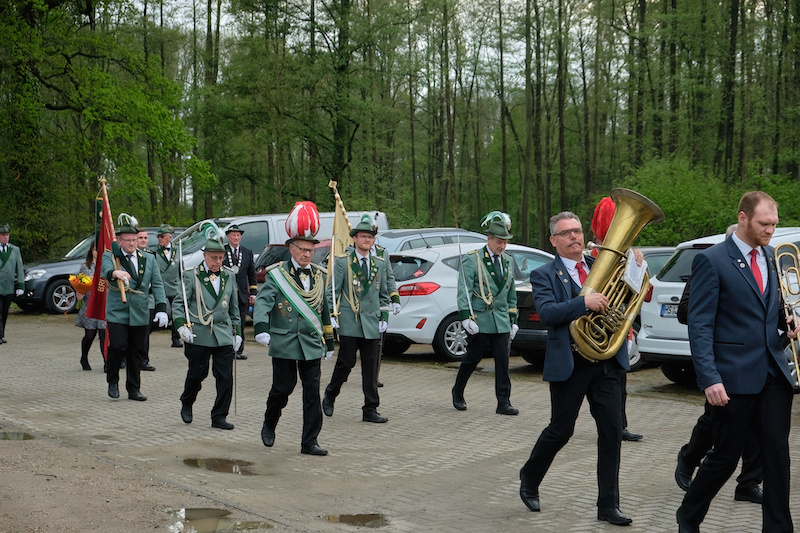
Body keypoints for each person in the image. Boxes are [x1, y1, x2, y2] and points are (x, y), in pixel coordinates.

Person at [677, 191, 797, 533]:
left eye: (774, 224)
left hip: (774, 373)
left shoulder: (772, 256)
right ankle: (689, 515)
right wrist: (709, 377)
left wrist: (787, 321)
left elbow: (767, 308)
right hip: (733, 376)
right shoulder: (712, 260)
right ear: (743, 218)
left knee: (777, 456)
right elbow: (700, 324)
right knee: (725, 456)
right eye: (764, 223)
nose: (770, 230)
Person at [520, 211, 632, 526]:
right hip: (571, 363)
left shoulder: (603, 264)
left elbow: (631, 297)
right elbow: (547, 313)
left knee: (611, 433)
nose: (574, 237)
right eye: (566, 233)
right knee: (561, 430)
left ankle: (608, 505)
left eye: (578, 231)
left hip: (606, 362)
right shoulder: (544, 274)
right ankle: (530, 476)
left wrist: (636, 267)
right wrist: (584, 303)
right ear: (553, 240)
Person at [674, 223, 763, 504]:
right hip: (722, 361)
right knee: (713, 422)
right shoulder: (712, 264)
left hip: (756, 361)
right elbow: (686, 312)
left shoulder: (763, 266)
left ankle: (748, 482)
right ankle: (689, 458)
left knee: (756, 427)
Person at [254, 201, 335, 455]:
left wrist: (329, 340)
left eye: (311, 250)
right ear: (291, 248)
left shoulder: (319, 275)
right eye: (302, 250)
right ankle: (270, 422)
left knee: (312, 393)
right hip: (285, 340)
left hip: (310, 341)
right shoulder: (277, 274)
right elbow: (264, 301)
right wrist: (261, 327)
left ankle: (310, 441)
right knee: (283, 388)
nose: (307, 255)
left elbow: (322, 308)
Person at [322, 214, 391, 424]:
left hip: (371, 322)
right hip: (350, 320)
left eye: (370, 237)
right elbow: (332, 292)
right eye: (363, 236)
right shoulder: (344, 262)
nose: (367, 240)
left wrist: (384, 316)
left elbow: (383, 294)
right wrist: (331, 315)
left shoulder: (379, 263)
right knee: (346, 362)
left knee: (371, 368)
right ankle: (331, 394)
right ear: (355, 239)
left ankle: (370, 408)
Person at [451, 211, 519, 415]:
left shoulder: (508, 260)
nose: (502, 246)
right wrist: (465, 318)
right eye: (499, 242)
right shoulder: (473, 259)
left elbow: (510, 292)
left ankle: (503, 402)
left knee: (503, 361)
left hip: (501, 320)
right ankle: (458, 391)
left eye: (505, 242)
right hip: (480, 318)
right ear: (489, 239)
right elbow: (463, 289)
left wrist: (513, 319)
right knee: (472, 358)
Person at [172, 238, 242, 430]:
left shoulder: (229, 275)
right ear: (204, 256)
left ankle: (219, 415)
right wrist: (181, 326)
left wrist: (237, 332)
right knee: (197, 374)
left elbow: (234, 307)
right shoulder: (192, 275)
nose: (217, 262)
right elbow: (179, 303)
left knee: (225, 378)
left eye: (220, 258)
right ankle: (187, 400)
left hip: (223, 333)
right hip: (200, 332)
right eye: (213, 258)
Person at [590, 197, 642, 442]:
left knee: (619, 382)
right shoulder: (590, 258)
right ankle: (609, 426)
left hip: (617, 329)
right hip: (595, 328)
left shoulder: (627, 258)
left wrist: (637, 266)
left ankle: (619, 426)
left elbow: (636, 295)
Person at [100, 223, 168, 401]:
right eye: (128, 240)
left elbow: (157, 283)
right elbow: (104, 271)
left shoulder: (149, 258)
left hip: (140, 310)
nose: (132, 243)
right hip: (118, 310)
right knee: (118, 346)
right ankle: (112, 380)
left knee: (136, 351)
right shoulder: (111, 256)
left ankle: (133, 388)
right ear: (119, 241)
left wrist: (161, 308)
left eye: (134, 240)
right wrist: (115, 273)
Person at [223, 225, 256, 360]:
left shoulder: (247, 252)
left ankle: (239, 350)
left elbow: (252, 274)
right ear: (228, 237)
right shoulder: (222, 251)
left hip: (242, 295)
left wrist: (253, 293)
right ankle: (226, 348)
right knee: (226, 322)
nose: (236, 238)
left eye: (238, 235)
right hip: (226, 294)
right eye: (233, 235)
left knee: (241, 322)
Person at [74, 241, 106, 371]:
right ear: (91, 251)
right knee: (90, 335)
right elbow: (80, 284)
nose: (97, 252)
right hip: (90, 304)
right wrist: (79, 292)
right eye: (95, 249)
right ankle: (84, 357)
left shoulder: (107, 266)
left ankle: (107, 362)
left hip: (103, 304)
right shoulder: (85, 267)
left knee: (104, 334)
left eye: (99, 250)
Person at [154, 224, 183, 348]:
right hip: (162, 287)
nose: (159, 239)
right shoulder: (155, 252)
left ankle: (176, 338)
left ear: (169, 237)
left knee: (177, 313)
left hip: (175, 287)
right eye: (158, 237)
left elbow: (181, 269)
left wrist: (182, 285)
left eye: (162, 236)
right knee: (167, 312)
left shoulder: (178, 250)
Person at [0, 224, 24, 345]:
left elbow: (19, 268)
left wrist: (20, 285)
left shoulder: (15, 250)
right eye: (3, 235)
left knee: (5, 312)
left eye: (7, 235)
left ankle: (2, 334)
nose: (6, 237)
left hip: (8, 286)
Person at [137, 228, 157, 371]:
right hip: (133, 298)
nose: (144, 240)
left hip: (148, 297)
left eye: (145, 238)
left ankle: (143, 360)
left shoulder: (151, 255)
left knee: (145, 330)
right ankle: (126, 357)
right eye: (141, 238)